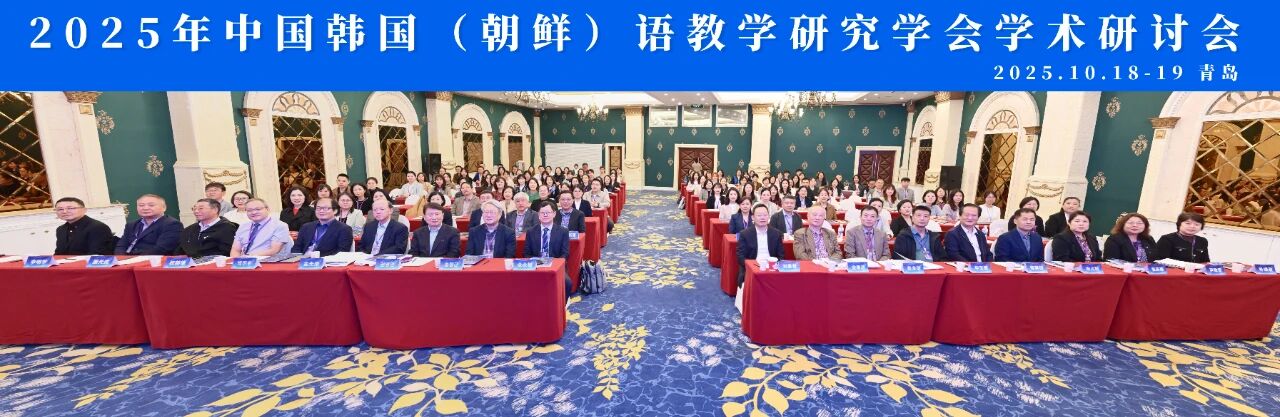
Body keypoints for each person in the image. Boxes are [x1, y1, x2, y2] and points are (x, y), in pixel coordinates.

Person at [115, 194, 183, 255]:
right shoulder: (131, 225)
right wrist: (120, 258)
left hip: (152, 260)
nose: (145, 208)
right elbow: (121, 246)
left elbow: (161, 249)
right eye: (141, 205)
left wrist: (135, 259)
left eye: (151, 205)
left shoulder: (172, 224)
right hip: (126, 260)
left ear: (164, 208)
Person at [736, 204, 783, 285]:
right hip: (752, 268)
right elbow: (741, 256)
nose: (762, 218)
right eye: (759, 215)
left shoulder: (776, 233)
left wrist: (772, 265)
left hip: (771, 268)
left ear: (769, 216)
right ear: (753, 217)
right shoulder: (745, 234)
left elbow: (781, 255)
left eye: (765, 215)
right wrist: (752, 266)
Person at [229, 198, 294, 257]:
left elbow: (274, 250)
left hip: (268, 261)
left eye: (258, 209)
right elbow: (235, 250)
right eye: (249, 210)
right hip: (245, 262)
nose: (254, 212)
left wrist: (249, 257)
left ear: (267, 209)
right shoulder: (243, 226)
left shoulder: (279, 225)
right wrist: (235, 262)